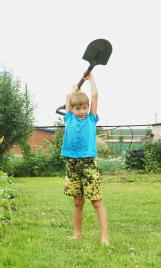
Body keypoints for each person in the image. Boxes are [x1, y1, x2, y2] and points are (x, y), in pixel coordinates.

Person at [61, 73, 109, 246]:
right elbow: (68, 96)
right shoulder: (68, 118)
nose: (81, 111)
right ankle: (77, 234)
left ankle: (104, 237)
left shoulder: (90, 118)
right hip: (72, 163)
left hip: (88, 163)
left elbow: (95, 96)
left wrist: (91, 79)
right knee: (78, 201)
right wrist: (75, 89)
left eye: (84, 108)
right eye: (78, 108)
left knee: (96, 200)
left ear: (88, 107)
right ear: (72, 109)